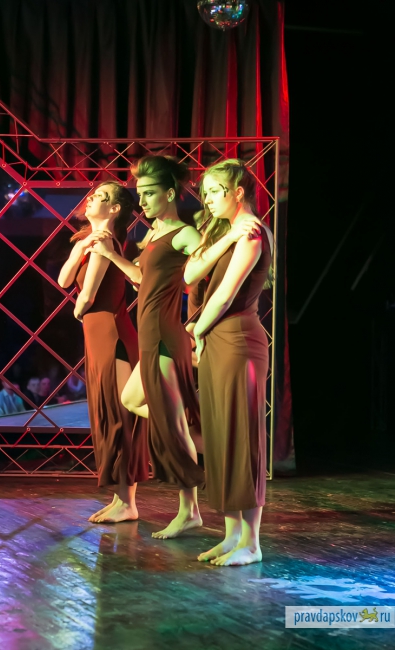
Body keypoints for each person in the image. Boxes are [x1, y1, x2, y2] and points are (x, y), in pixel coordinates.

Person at [89, 155, 261, 539]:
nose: (142, 201)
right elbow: (141, 279)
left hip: (166, 335)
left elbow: (203, 274)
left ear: (169, 194)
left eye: (149, 193)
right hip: (150, 333)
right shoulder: (153, 234)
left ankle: (190, 509)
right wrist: (112, 256)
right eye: (139, 194)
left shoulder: (183, 233)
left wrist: (197, 320)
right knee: (133, 400)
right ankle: (207, 443)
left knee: (167, 419)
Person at [184, 159, 273, 566]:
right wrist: (225, 239)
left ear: (237, 192)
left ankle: (251, 543)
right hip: (217, 339)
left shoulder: (252, 232)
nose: (207, 200)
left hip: (237, 340)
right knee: (220, 436)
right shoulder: (225, 231)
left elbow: (224, 295)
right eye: (204, 193)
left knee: (242, 437)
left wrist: (198, 331)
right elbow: (190, 275)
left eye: (214, 191)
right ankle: (232, 534)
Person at [58, 181, 149, 523]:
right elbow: (64, 280)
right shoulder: (90, 241)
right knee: (108, 415)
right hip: (99, 335)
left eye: (99, 196)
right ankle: (120, 498)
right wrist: (81, 247)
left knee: (119, 416)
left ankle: (127, 502)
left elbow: (87, 295)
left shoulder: (107, 242)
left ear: (114, 209)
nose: (90, 198)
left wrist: (79, 309)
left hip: (111, 335)